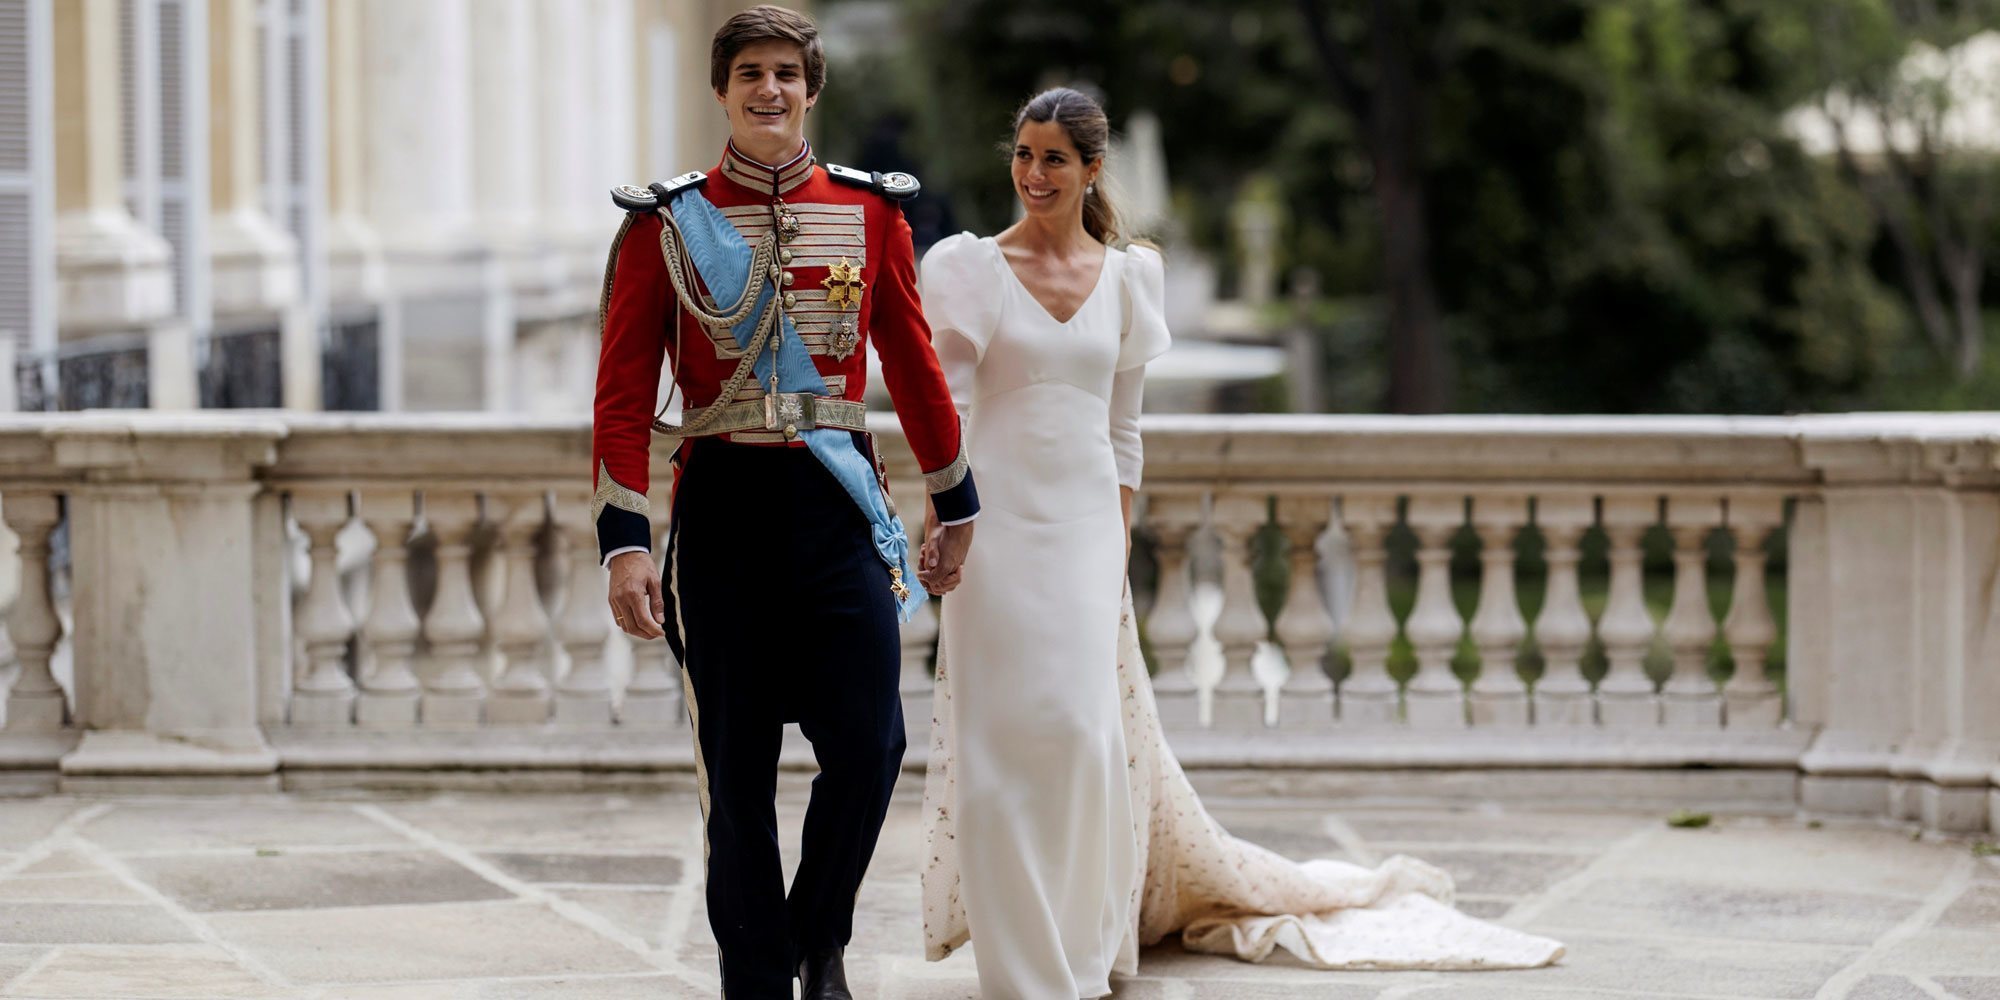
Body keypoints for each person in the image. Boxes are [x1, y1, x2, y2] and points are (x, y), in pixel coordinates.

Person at [915, 87, 1564, 998]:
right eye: (1022, 155)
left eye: (1054, 158)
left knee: (1082, 739)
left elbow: (1125, 430)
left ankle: (1085, 939)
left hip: (1087, 533)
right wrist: (943, 513)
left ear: (1092, 169)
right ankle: (1021, 970)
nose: (1033, 174)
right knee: (1003, 743)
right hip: (996, 526)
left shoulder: (1132, 275)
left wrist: (1117, 540)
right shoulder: (969, 268)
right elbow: (933, 405)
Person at [589, 7, 977, 998]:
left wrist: (953, 497)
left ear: (811, 90)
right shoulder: (666, 223)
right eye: (751, 73)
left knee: (871, 741)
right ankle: (756, 976)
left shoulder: (871, 210)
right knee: (738, 764)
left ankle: (819, 936)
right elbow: (624, 393)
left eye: (787, 75)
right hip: (721, 508)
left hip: (834, 504)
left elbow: (915, 364)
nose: (770, 91)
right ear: (720, 91)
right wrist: (623, 541)